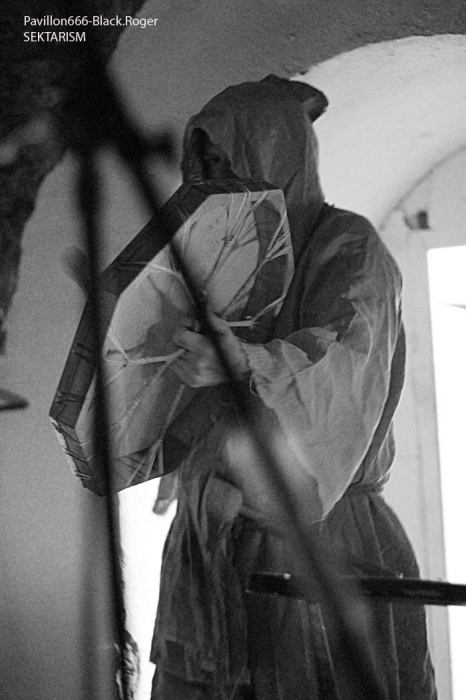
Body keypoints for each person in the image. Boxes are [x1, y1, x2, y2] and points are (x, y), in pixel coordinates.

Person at [149, 75, 437, 700]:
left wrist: (244, 362)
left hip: (324, 542)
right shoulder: (214, 261)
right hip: (213, 543)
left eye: (230, 163)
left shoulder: (348, 246)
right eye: (205, 167)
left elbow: (339, 368)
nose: (216, 183)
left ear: (275, 156)